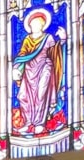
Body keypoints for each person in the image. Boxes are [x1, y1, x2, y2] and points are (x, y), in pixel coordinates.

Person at [11, 7, 66, 136]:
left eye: (36, 23)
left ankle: (39, 123)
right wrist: (15, 68)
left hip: (44, 68)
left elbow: (55, 53)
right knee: (23, 96)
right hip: (29, 71)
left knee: (41, 95)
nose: (33, 26)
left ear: (42, 24)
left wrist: (62, 40)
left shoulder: (48, 38)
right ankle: (28, 122)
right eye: (31, 24)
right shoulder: (27, 40)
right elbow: (22, 55)